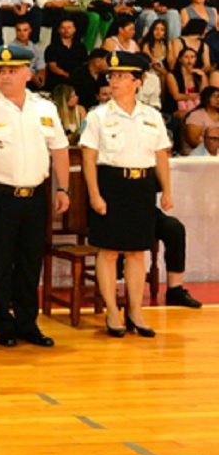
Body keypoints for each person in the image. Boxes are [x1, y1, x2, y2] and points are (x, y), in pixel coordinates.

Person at [0, 45, 72, 348]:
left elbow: (59, 150)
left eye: (12, 71)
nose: (6, 76)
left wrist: (63, 188)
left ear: (28, 74)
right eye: (1, 71)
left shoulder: (45, 108)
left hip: (35, 195)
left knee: (30, 262)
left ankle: (27, 323)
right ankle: (3, 325)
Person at [79, 52, 172, 338]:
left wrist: (167, 190)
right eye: (112, 75)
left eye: (121, 76)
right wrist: (94, 195)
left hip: (142, 186)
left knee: (136, 251)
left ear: (137, 82)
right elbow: (88, 159)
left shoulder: (152, 116)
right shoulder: (98, 116)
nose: (115, 80)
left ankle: (135, 311)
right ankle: (111, 311)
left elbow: (161, 156)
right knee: (108, 251)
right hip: (111, 184)